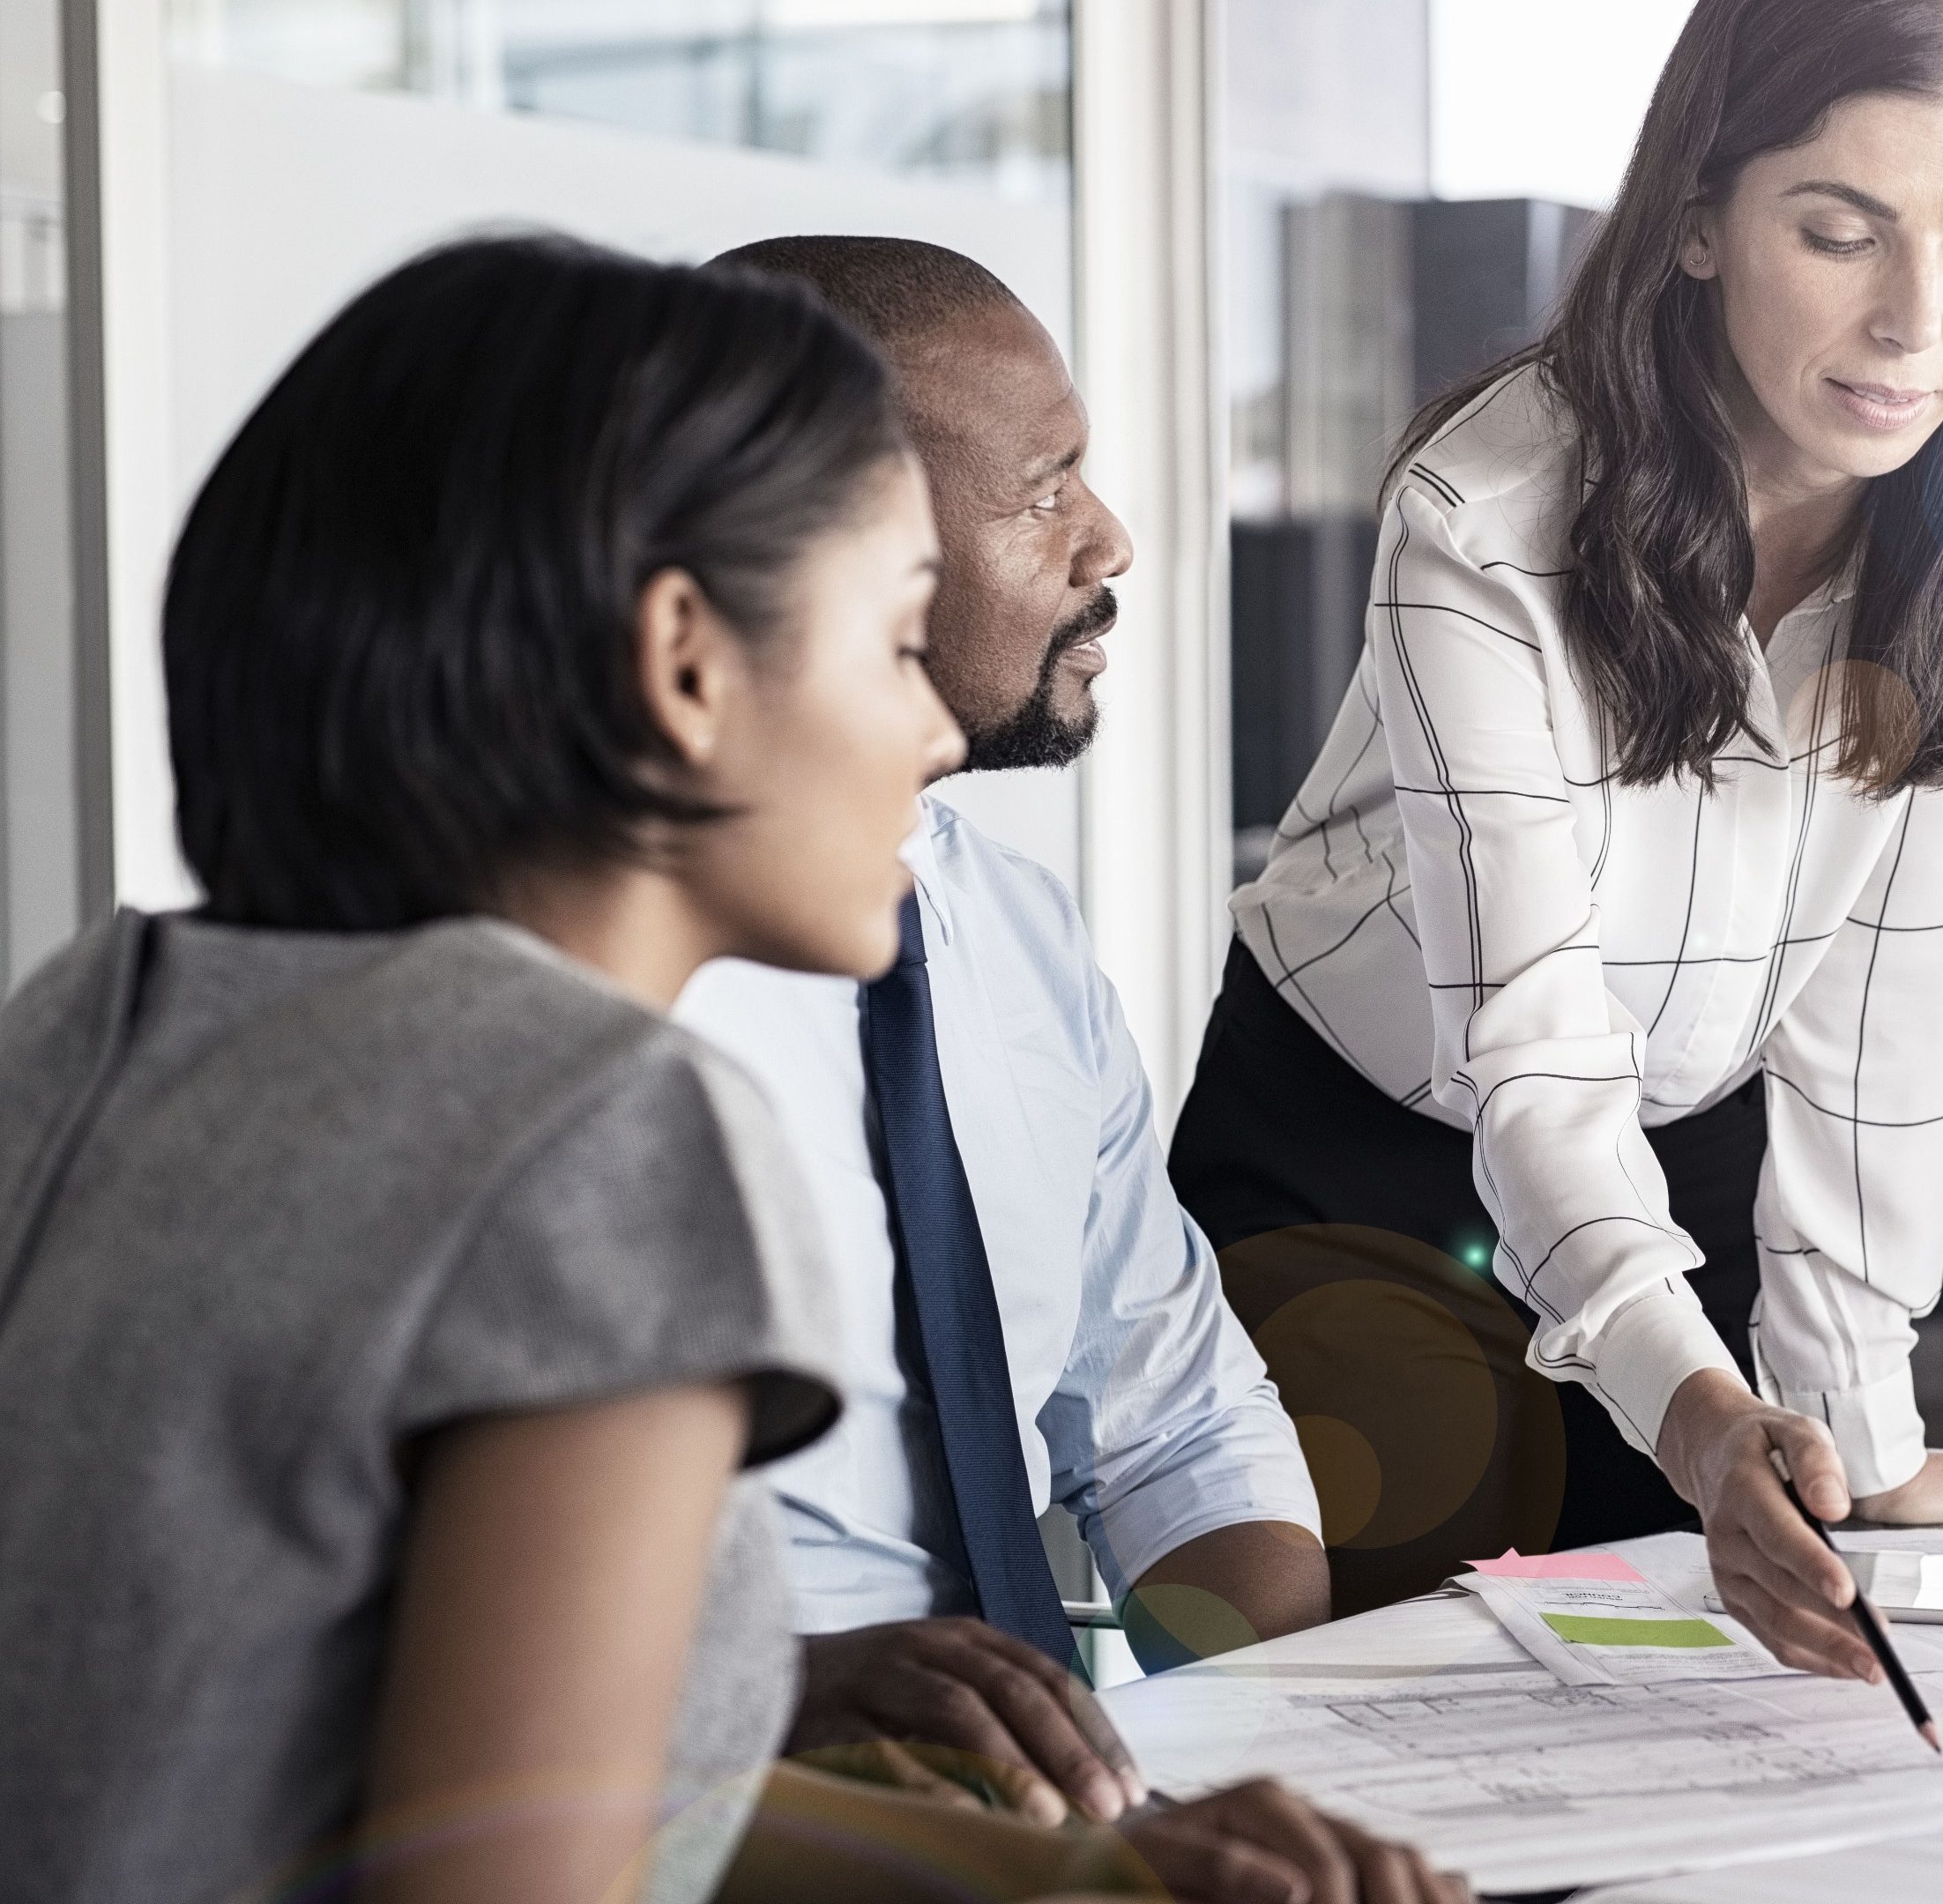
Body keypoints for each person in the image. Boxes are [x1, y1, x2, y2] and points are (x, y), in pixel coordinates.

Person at [0, 235, 1457, 1904]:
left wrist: (1073, 1880)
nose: (923, 739)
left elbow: (516, 1800)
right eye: (891, 634)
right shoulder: (595, 1124)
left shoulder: (101, 1015)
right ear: (690, 663)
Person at [1167, 0, 1943, 1669]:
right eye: (1841, 234)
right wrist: (1692, 1419)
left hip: (1691, 1139)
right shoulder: (1484, 517)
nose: (1919, 323)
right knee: (1395, 1713)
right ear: (1695, 218)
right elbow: (1532, 1057)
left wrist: (1857, 1439)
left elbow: (1911, 976)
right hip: (1371, 1144)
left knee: (1723, 1702)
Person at [675, 236, 1328, 1826]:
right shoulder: (603, 1001)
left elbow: (1176, 1418)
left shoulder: (1012, 929)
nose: (1111, 538)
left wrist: (1252, 1748)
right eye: (1044, 488)